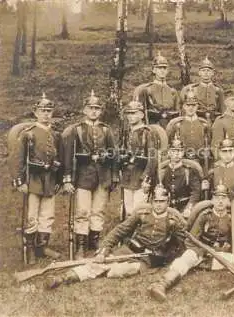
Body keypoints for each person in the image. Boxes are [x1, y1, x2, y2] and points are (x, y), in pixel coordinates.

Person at [45, 186, 187, 289]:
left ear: (168, 202)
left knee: (118, 271)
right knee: (100, 262)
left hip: (150, 258)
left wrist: (171, 258)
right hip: (130, 249)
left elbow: (184, 241)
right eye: (155, 201)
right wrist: (105, 248)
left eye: (162, 201)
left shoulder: (174, 218)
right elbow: (121, 230)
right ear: (151, 201)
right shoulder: (142, 211)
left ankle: (103, 271)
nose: (158, 204)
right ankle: (63, 278)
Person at [148, 183, 234, 301]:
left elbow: (233, 240)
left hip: (216, 254)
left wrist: (226, 247)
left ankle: (198, 264)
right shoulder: (205, 216)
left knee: (233, 260)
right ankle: (161, 285)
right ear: (212, 200)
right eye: (217, 198)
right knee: (187, 258)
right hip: (199, 249)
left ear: (228, 201)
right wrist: (202, 251)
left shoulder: (232, 218)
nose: (220, 202)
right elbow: (191, 239)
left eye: (223, 198)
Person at [62, 90, 119, 259]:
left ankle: (94, 242)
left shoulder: (106, 130)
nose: (94, 111)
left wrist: (114, 175)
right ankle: (80, 245)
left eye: (97, 108)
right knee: (82, 211)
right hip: (83, 177)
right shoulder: (76, 130)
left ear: (101, 111)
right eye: (90, 108)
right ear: (84, 110)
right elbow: (68, 156)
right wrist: (67, 179)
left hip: (102, 176)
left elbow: (113, 154)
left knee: (98, 210)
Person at [12, 93, 63, 263]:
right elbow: (18, 159)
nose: (46, 114)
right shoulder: (28, 134)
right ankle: (31, 249)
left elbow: (60, 159)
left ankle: (42, 247)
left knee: (47, 215)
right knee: (32, 215)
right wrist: (20, 181)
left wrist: (60, 180)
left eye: (49, 111)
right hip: (33, 179)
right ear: (35, 113)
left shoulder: (56, 135)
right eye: (42, 111)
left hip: (50, 180)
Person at [147, 136, 202, 218]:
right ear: (169, 153)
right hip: (166, 208)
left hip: (183, 208)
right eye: (173, 151)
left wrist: (189, 208)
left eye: (179, 151)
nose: (176, 154)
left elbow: (196, 192)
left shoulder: (189, 171)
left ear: (183, 153)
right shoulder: (162, 171)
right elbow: (154, 190)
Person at [119, 100, 156, 217]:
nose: (130, 116)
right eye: (129, 113)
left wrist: (146, 178)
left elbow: (152, 158)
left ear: (141, 115)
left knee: (139, 211)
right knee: (129, 211)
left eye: (134, 113)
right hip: (127, 176)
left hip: (140, 176)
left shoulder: (147, 133)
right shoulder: (126, 132)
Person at [133, 51, 180, 126]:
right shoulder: (146, 90)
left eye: (164, 68)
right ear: (154, 70)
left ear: (167, 70)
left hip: (169, 126)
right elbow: (139, 112)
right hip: (152, 126)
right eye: (159, 68)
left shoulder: (172, 91)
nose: (162, 70)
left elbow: (177, 113)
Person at [166, 90, 211, 163]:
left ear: (197, 106)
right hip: (181, 161)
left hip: (200, 160)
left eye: (193, 105)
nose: (191, 108)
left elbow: (209, 143)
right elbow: (169, 144)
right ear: (184, 106)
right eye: (188, 105)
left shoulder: (204, 124)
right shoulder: (176, 124)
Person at [204, 137, 234, 201]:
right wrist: (204, 188)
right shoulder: (213, 173)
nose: (228, 154)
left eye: (230, 151)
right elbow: (207, 197)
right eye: (224, 151)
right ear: (219, 152)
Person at [180, 56, 224, 121]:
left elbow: (222, 109)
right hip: (197, 119)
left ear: (212, 73)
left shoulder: (218, 90)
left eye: (208, 70)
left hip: (214, 119)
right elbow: (184, 108)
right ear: (199, 73)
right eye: (203, 70)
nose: (206, 73)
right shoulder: (191, 89)